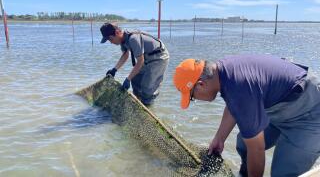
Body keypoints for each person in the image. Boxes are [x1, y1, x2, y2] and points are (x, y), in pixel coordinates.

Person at [173, 54, 320, 177]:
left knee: (282, 173)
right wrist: (219, 138)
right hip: (279, 106)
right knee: (244, 144)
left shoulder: (239, 88)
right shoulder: (222, 72)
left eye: (192, 97)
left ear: (200, 84)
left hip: (309, 113)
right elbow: (233, 105)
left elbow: (256, 148)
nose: (195, 100)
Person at [100, 23, 169, 106]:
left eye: (110, 39)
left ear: (117, 33)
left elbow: (140, 61)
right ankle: (139, 103)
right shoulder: (123, 39)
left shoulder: (133, 39)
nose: (111, 42)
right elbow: (125, 55)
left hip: (159, 57)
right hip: (147, 58)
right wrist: (114, 70)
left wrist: (127, 79)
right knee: (135, 80)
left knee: (147, 88)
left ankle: (148, 107)